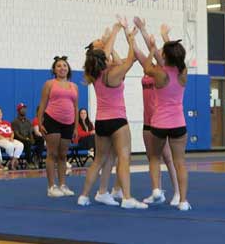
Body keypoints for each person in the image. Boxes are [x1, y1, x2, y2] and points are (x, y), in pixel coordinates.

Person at [77, 17, 148, 209]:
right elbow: (130, 61)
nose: (103, 42)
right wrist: (127, 37)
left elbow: (115, 59)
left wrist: (113, 41)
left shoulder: (95, 73)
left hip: (101, 122)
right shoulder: (112, 73)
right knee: (124, 157)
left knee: (101, 159)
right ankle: (126, 197)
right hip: (117, 120)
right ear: (100, 55)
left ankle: (89, 195)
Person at [141, 32, 191, 211]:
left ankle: (156, 189)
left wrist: (152, 49)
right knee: (180, 162)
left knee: (154, 157)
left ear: (164, 56)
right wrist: (165, 36)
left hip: (159, 124)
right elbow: (176, 55)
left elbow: (146, 66)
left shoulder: (159, 73)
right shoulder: (183, 72)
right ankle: (183, 201)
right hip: (178, 123)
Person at [132, 17, 179, 206]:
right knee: (152, 157)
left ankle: (177, 191)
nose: (158, 52)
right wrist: (133, 33)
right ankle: (156, 191)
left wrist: (164, 35)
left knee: (168, 158)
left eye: (161, 52)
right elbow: (137, 52)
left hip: (162, 119)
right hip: (147, 120)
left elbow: (167, 50)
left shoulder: (167, 72)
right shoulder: (149, 68)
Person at [38, 56, 79, 197]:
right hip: (52, 120)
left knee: (63, 155)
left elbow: (76, 107)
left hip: (68, 123)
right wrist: (39, 122)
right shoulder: (50, 84)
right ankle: (51, 187)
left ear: (68, 69)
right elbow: (43, 103)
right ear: (54, 70)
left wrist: (75, 127)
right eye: (59, 66)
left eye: (65, 66)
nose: (62, 68)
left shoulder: (74, 86)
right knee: (52, 153)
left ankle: (63, 185)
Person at [11, 103, 35, 168]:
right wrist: (26, 139)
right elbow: (17, 134)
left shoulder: (28, 121)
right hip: (19, 139)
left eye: (25, 108)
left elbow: (30, 132)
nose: (24, 110)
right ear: (18, 110)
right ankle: (29, 162)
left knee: (39, 141)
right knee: (27, 142)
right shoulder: (15, 122)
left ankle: (37, 159)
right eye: (22, 109)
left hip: (27, 139)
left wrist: (32, 138)